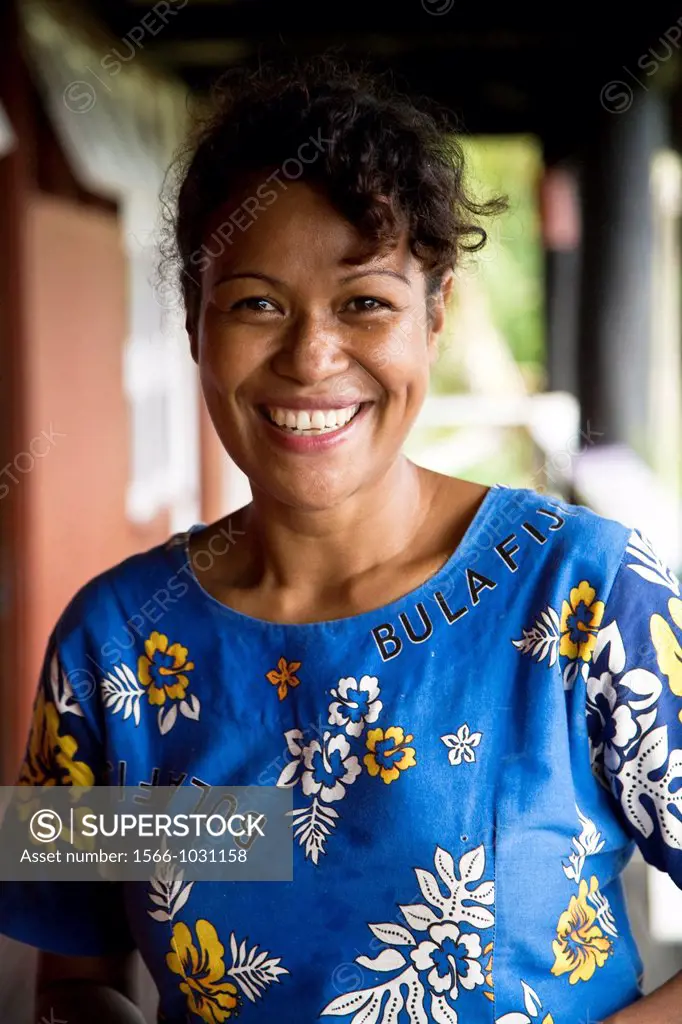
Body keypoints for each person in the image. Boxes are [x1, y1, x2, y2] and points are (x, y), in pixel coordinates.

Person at [0, 54, 680, 1024]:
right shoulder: (109, 648)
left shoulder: (585, 596)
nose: (312, 356)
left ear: (435, 316)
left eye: (364, 301)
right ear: (195, 325)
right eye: (256, 303)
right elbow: (74, 975)